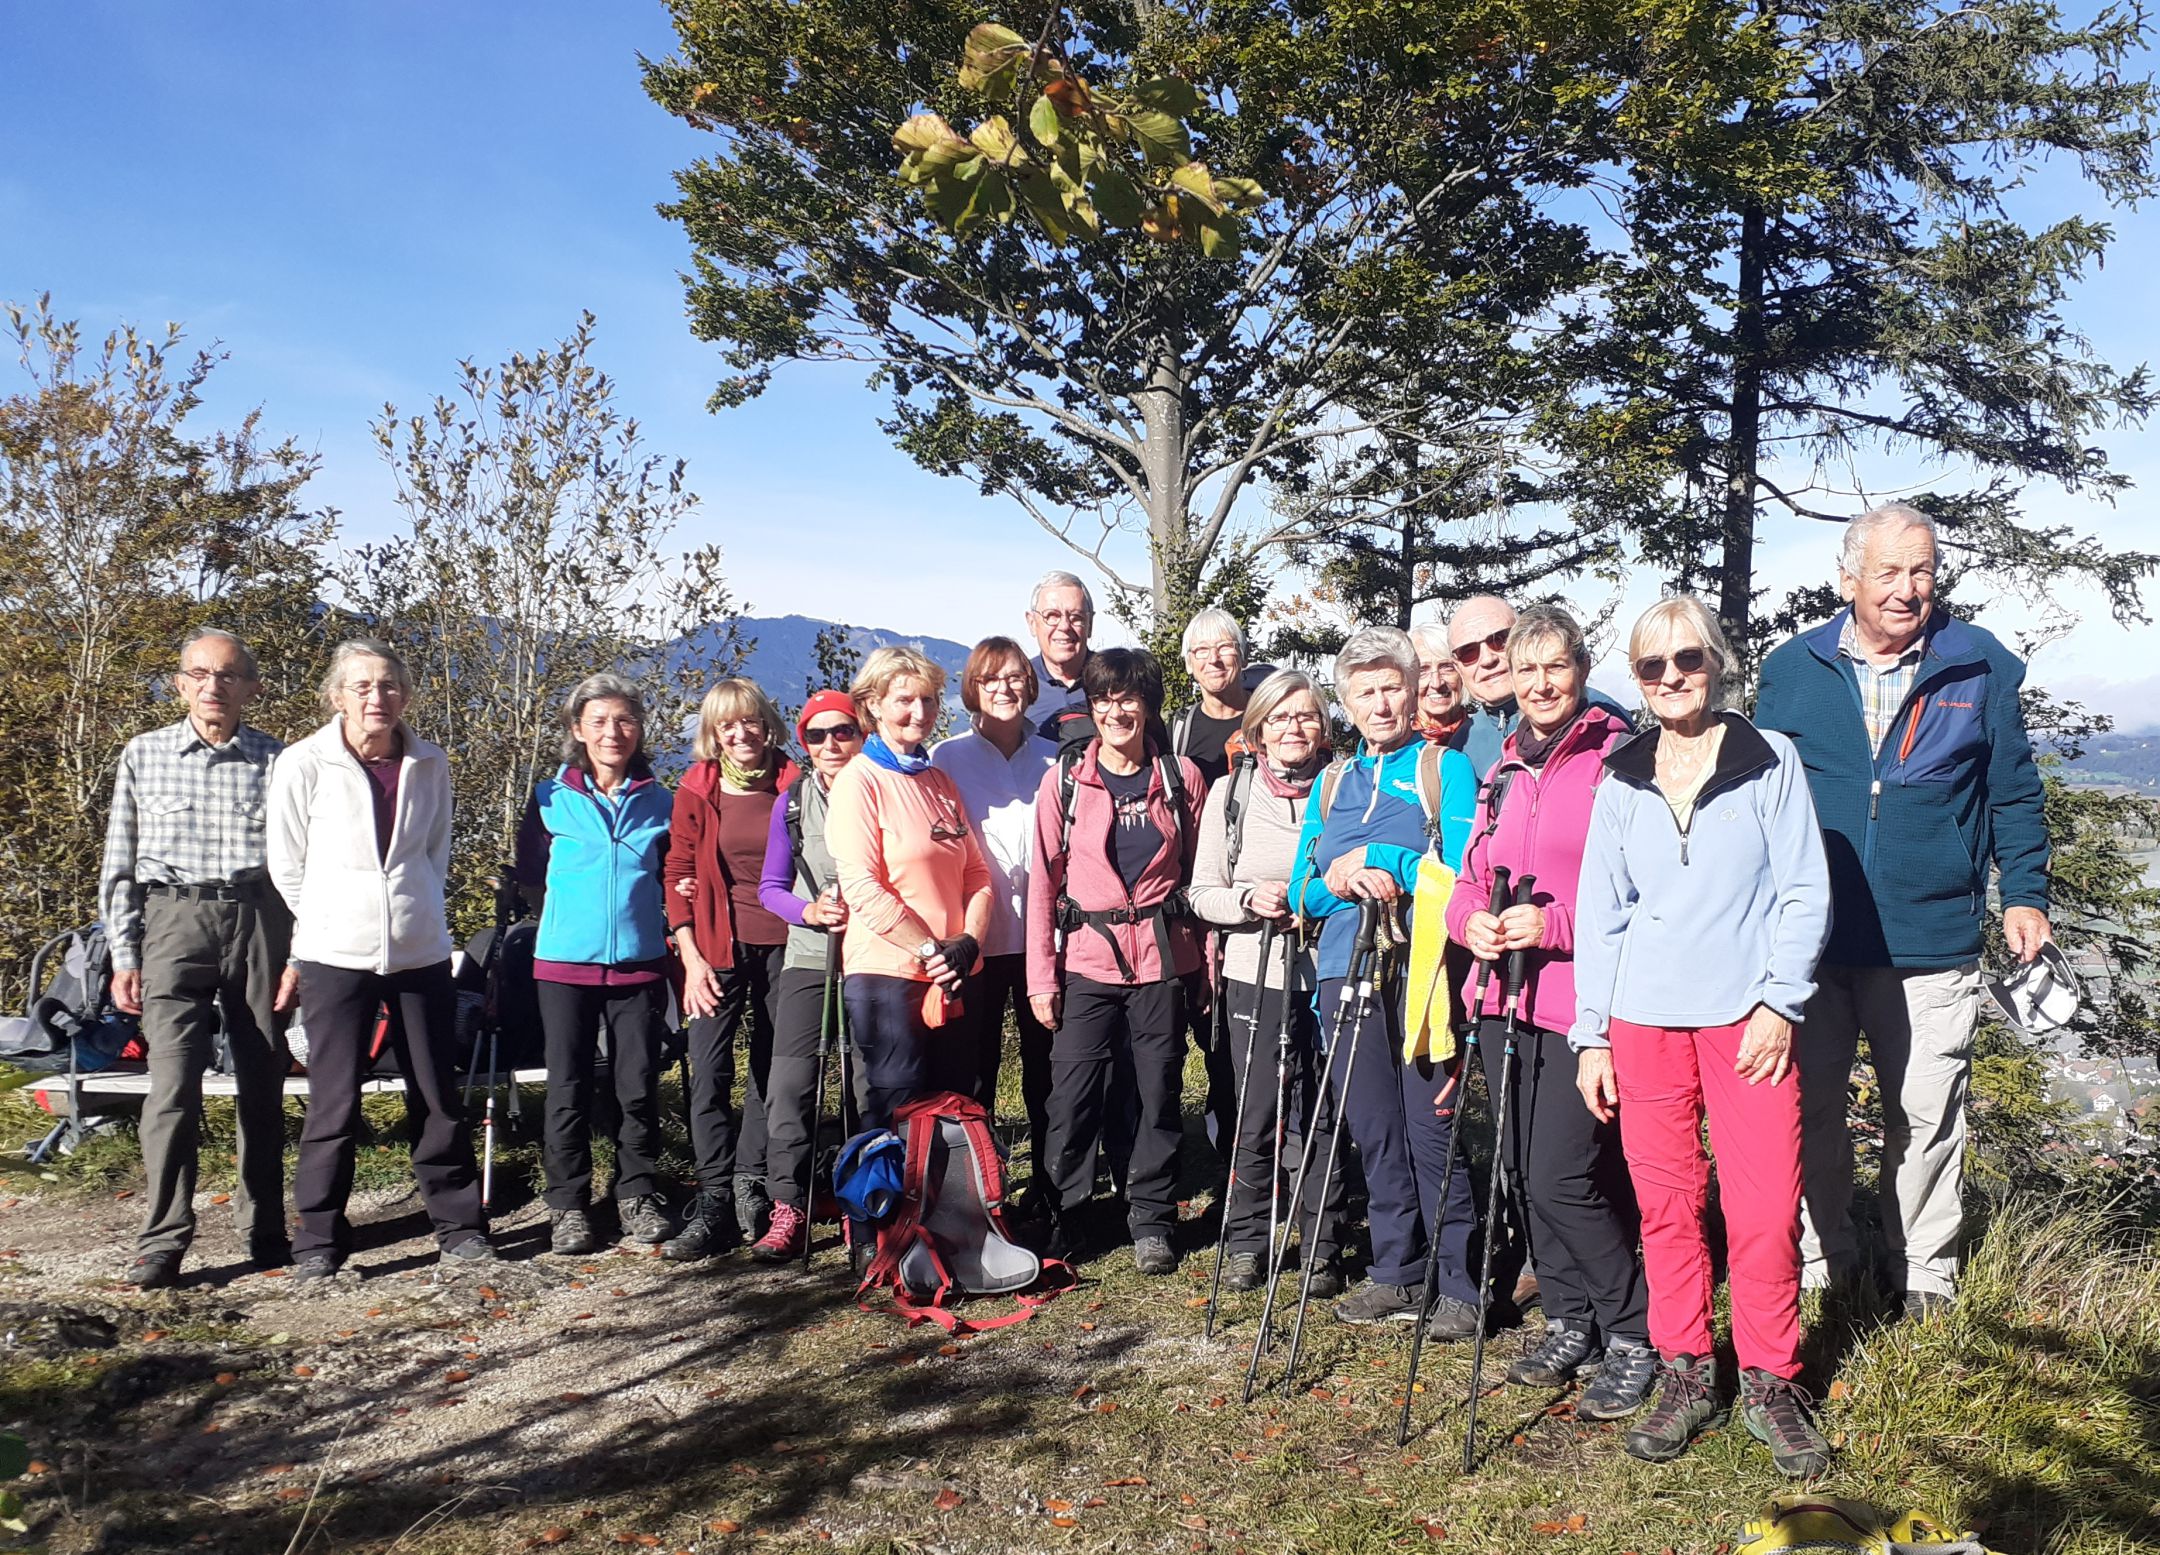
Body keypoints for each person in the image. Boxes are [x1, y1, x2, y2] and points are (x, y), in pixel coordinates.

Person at [1756, 504, 2052, 1320]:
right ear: (1848, 579)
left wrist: (2023, 892)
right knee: (1810, 1110)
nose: (1906, 589)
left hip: (1930, 939)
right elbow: (1756, 799)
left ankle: (1924, 1269)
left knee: (1926, 1112)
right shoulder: (1792, 669)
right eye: (1887, 571)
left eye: (1920, 570)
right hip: (1811, 944)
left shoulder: (1975, 665)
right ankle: (1824, 1260)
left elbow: (2014, 791)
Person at [1569, 597, 1833, 1477]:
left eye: (1688, 658)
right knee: (1667, 1204)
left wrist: (1779, 1002)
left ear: (1717, 662)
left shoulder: (1769, 760)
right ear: (1636, 679)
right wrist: (1592, 1034)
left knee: (1760, 1207)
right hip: (1643, 1022)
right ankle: (1686, 1369)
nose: (1672, 676)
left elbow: (1803, 889)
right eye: (1651, 666)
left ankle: (1769, 1377)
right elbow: (1601, 914)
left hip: (1745, 1020)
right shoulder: (1622, 774)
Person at [1444, 605, 1656, 1420]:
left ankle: (1634, 1330)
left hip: (1579, 1000)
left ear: (1580, 667)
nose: (1537, 682)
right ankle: (1572, 1320)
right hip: (1503, 996)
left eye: (1553, 666)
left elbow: (1639, 889)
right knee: (1527, 1172)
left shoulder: (1618, 758)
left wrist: (1555, 923)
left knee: (1568, 1176)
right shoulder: (1502, 767)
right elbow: (1470, 875)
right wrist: (1474, 923)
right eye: (1524, 668)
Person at [266, 638, 491, 1282]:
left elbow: (434, 855)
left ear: (406, 695)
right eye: (361, 686)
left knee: (437, 1095)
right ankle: (318, 1239)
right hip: (333, 956)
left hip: (419, 953)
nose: (376, 697)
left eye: (388, 685)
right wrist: (330, 923)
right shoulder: (303, 763)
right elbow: (287, 865)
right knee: (333, 1100)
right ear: (336, 696)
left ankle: (457, 1226)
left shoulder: (430, 762)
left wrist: (415, 909)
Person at [1289, 627, 1480, 1338]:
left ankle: (1461, 1281)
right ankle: (1397, 1271)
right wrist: (1335, 877)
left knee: (1431, 1126)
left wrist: (1385, 860)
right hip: (1342, 967)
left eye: (1390, 685)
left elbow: (1458, 874)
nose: (1379, 701)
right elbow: (1301, 893)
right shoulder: (1333, 781)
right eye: (1364, 690)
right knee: (1373, 1129)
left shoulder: (1443, 769)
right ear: (1346, 701)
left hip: (1419, 973)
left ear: (1412, 688)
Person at [102, 629, 294, 1289]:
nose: (214, 685)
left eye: (229, 674)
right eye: (200, 673)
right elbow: (118, 864)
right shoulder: (143, 754)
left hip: (258, 919)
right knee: (172, 1085)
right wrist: (124, 952)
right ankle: (161, 1240)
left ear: (251, 686)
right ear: (181, 683)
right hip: (171, 922)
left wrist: (299, 952)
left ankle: (266, 1225)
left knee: (263, 1080)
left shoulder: (280, 760)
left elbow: (304, 865)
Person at [1025, 648, 1207, 1274]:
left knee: (1156, 1092)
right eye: (1103, 699)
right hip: (1086, 964)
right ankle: (1064, 1215)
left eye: (1128, 697)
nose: (1115, 710)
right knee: (1071, 1095)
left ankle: (1152, 1218)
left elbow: (1202, 879)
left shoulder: (1181, 777)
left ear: (1149, 704)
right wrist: (1040, 979)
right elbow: (1043, 887)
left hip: (1161, 962)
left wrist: (1202, 969)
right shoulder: (1067, 781)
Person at [1186, 669, 1346, 1293]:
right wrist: (1251, 900)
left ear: (1323, 726)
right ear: (1255, 730)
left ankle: (1323, 1245)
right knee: (1255, 1112)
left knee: (1322, 1110)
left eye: (1305, 716)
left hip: (1325, 971)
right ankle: (1248, 1241)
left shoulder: (1345, 789)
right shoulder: (1230, 795)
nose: (1293, 729)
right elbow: (1202, 894)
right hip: (1255, 971)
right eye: (1279, 718)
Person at [825, 647, 994, 1237]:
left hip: (952, 972)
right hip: (890, 976)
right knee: (894, 1112)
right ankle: (879, 1238)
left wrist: (967, 943)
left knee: (950, 1106)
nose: (918, 711)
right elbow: (864, 888)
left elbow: (977, 874)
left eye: (926, 699)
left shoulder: (938, 780)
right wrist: (932, 950)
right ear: (873, 705)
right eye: (904, 700)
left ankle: (944, 1230)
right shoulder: (858, 783)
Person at [515, 674, 676, 1257]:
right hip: (563, 967)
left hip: (639, 964)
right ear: (577, 729)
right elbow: (531, 878)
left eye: (625, 720)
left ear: (639, 730)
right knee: (568, 1088)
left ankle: (635, 1192)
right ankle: (568, 1205)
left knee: (636, 1086)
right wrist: (566, 927)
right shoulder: (548, 798)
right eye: (600, 721)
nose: (613, 732)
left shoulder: (662, 801)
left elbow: (671, 879)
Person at [663, 678, 800, 1261]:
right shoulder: (698, 788)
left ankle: (754, 1183)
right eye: (727, 725)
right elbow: (677, 872)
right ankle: (715, 1196)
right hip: (716, 948)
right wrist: (690, 959)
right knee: (709, 1072)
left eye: (749, 721)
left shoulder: (798, 783)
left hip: (787, 944)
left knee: (773, 1072)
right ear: (713, 735)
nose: (740, 733)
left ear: (767, 723)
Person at [931, 639, 1058, 1174]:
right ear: (972, 689)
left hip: (1043, 940)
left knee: (1046, 1067)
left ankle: (1052, 1179)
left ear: (1029, 686)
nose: (1003, 689)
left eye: (1013, 678)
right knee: (974, 1067)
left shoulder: (1054, 759)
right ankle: (979, 1180)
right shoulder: (947, 758)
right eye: (990, 680)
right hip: (975, 939)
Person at [751, 689, 868, 1261]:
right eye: (817, 736)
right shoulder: (792, 803)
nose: (830, 744)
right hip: (807, 957)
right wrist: (810, 912)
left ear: (862, 733)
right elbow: (770, 888)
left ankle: (864, 1205)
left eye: (842, 731)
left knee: (865, 1087)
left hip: (873, 956)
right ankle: (789, 1206)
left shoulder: (880, 790)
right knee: (790, 1089)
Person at [1170, 607, 1257, 788]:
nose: (1213, 659)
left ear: (1243, 657)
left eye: (1224, 647)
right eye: (1201, 650)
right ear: (1189, 664)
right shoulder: (1179, 730)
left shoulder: (1269, 718)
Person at [1444, 595, 1524, 777]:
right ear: (1458, 667)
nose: (1488, 659)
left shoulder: (1590, 716)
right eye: (1468, 652)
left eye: (1500, 640)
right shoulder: (1461, 745)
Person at [1023, 570, 1096, 739]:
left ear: (1090, 623)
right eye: (1052, 616)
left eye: (1076, 617)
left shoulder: (1116, 681)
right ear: (1032, 623)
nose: (1064, 626)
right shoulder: (1017, 685)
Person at [1408, 623, 1468, 746]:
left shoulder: (1485, 735)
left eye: (1447, 667)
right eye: (1422, 671)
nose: (1437, 683)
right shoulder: (1398, 746)